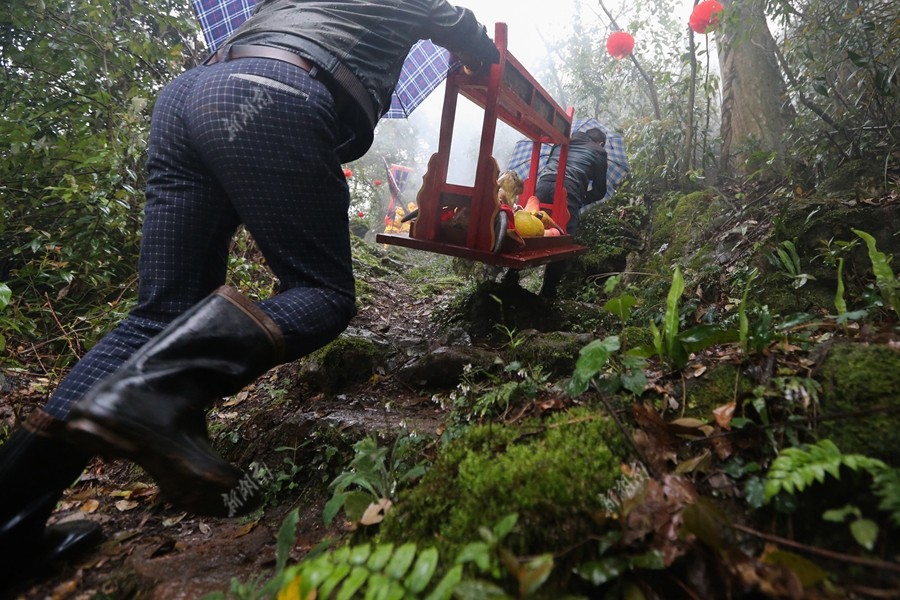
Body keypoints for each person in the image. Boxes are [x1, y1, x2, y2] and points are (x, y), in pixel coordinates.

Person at [0, 0, 499, 587]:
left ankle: (9, 526)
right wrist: (475, 54)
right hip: (274, 91)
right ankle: (155, 396)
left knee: (157, 316)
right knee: (321, 293)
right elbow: (467, 32)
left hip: (190, 96)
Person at [504, 127, 608, 299]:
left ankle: (510, 277)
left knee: (531, 230)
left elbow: (552, 167)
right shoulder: (599, 151)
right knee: (564, 240)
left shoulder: (561, 141)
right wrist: (580, 199)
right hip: (569, 192)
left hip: (543, 185)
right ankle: (548, 292)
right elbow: (600, 190)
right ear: (601, 142)